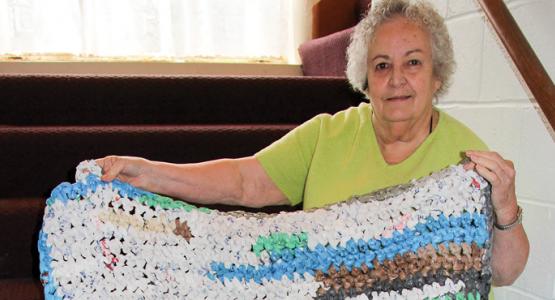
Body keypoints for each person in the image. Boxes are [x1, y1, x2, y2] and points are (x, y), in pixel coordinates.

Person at [97, 0, 528, 287]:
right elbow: (245, 180)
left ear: (438, 75)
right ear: (365, 79)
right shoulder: (329, 135)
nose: (396, 78)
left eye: (412, 62)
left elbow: (504, 273)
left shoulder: (464, 158)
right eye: (381, 66)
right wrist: (150, 172)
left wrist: (505, 209)